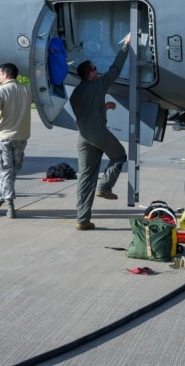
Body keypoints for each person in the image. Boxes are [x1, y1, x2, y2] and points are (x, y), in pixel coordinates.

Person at [69, 33, 132, 231]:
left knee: (86, 178)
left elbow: (85, 113)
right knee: (120, 156)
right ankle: (105, 187)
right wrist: (126, 47)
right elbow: (115, 70)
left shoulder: (76, 93)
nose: (98, 70)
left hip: (83, 138)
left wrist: (103, 108)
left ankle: (82, 219)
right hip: (98, 134)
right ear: (91, 74)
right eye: (95, 69)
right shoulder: (98, 84)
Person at [0, 62, 32, 218]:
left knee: (4, 172)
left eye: (0, 74)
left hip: (5, 137)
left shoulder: (0, 91)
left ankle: (10, 205)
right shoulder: (27, 90)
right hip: (22, 137)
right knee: (11, 173)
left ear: (5, 74)